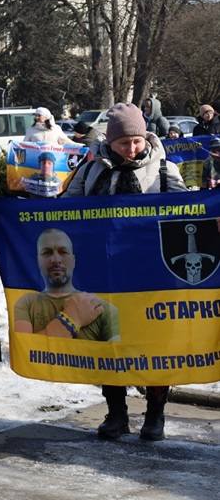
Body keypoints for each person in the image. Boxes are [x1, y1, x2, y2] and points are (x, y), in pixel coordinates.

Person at [63, 103, 185, 441]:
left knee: (155, 345)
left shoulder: (165, 170)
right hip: (105, 274)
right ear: (110, 142)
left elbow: (187, 212)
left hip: (153, 276)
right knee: (109, 343)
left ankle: (155, 414)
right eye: (123, 143)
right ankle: (116, 413)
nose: (131, 149)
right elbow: (65, 210)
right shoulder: (90, 171)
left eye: (136, 141)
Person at [13, 229, 118, 341]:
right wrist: (71, 319)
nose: (56, 260)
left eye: (63, 252)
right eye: (47, 252)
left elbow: (118, 351)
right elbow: (23, 347)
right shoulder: (26, 303)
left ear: (73, 260)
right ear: (38, 260)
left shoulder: (100, 307)